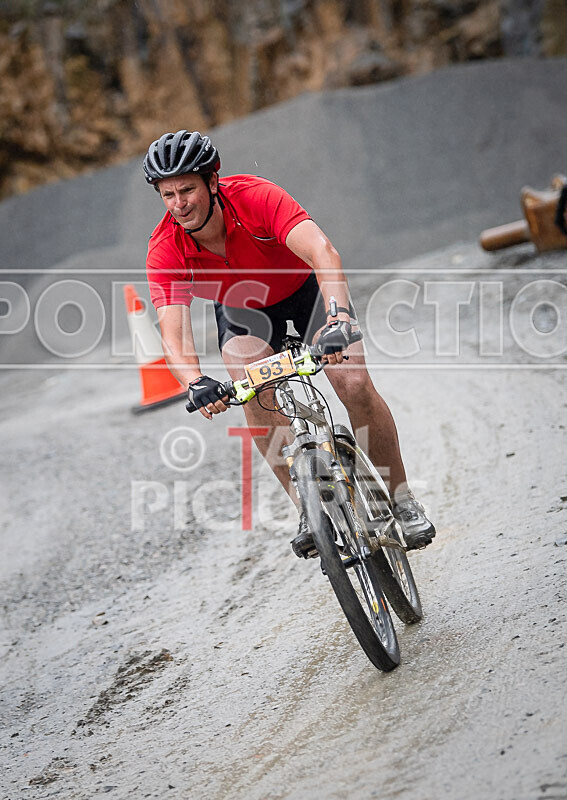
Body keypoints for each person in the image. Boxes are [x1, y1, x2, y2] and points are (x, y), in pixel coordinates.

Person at [143, 129, 435, 556]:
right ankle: (307, 509)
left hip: (306, 294)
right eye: (167, 195)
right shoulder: (165, 248)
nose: (178, 204)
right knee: (252, 389)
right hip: (243, 312)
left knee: (353, 382)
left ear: (212, 181)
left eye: (187, 190)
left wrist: (338, 318)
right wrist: (194, 381)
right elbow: (173, 332)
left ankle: (402, 500)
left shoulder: (255, 197)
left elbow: (323, 252)